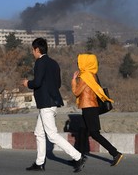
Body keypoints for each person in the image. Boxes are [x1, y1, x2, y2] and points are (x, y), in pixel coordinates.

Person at [22, 37, 86, 173]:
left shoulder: (39, 62)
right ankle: (39, 163)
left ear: (37, 49)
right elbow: (57, 84)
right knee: (39, 132)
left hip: (45, 103)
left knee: (51, 135)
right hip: (52, 102)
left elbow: (37, 82)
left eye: (33, 50)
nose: (32, 53)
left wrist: (28, 83)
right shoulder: (54, 63)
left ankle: (78, 156)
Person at [71, 53, 123, 166]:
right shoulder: (92, 74)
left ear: (85, 63)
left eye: (80, 62)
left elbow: (76, 92)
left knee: (94, 133)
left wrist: (74, 80)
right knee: (82, 131)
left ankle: (115, 153)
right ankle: (78, 157)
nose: (78, 64)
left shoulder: (85, 76)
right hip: (89, 106)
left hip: (89, 107)